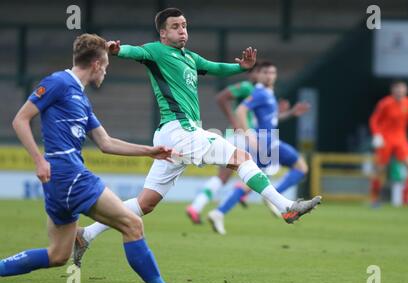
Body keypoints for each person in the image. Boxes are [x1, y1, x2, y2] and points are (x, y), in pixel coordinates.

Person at [74, 8, 321, 267]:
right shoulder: (156, 51)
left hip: (173, 136)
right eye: (176, 26)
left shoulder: (190, 57)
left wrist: (241, 67)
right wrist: (116, 50)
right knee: (242, 158)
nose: (182, 30)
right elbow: (135, 51)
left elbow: (215, 68)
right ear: (163, 33)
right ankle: (285, 207)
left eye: (184, 25)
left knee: (145, 203)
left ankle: (85, 234)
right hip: (180, 131)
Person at [0, 33, 196, 283]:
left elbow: (106, 142)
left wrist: (150, 152)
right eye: (106, 65)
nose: (106, 71)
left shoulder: (81, 99)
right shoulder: (58, 82)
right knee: (132, 224)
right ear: (96, 64)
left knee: (58, 255)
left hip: (60, 181)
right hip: (68, 173)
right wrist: (38, 159)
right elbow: (20, 120)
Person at [207, 61, 310, 235]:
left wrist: (290, 113)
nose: (270, 76)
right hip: (266, 140)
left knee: (252, 181)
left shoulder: (268, 93)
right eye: (266, 73)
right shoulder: (260, 92)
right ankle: (274, 195)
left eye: (272, 72)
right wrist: (249, 135)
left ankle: (219, 212)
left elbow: (270, 119)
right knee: (301, 166)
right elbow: (240, 110)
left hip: (266, 139)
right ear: (259, 75)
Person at [185, 63, 260, 224]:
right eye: (258, 72)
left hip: (248, 136)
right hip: (241, 136)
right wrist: (234, 121)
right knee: (227, 176)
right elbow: (222, 97)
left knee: (225, 177)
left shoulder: (260, 93)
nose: (260, 75)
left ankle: (197, 207)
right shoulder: (247, 87)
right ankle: (239, 194)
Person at [369, 80, 408, 207]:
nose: (400, 91)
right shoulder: (385, 103)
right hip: (385, 140)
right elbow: (374, 120)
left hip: (401, 139)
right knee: (380, 169)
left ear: (406, 90)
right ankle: (374, 198)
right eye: (397, 89)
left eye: (402, 89)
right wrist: (377, 135)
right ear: (392, 91)